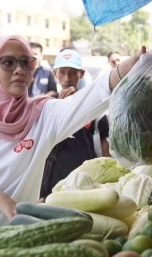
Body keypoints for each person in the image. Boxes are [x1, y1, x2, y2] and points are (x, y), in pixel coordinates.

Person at [0, 34, 143, 236]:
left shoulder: (42, 115)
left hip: (10, 242)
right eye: (8, 63)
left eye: (26, 62)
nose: (19, 70)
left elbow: (93, 96)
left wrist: (129, 67)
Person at [39, 49, 110, 199]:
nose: (67, 78)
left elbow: (106, 155)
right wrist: (60, 106)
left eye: (72, 72)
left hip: (85, 183)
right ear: (54, 73)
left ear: (82, 74)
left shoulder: (94, 110)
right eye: (62, 72)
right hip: (52, 182)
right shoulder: (46, 106)